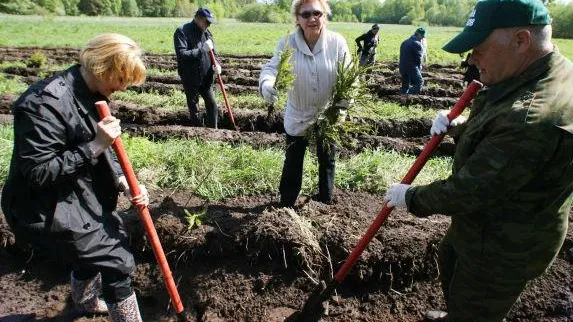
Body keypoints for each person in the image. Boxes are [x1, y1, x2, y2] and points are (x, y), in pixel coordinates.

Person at [384, 0, 573, 321]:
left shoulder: (529, 117)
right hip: (482, 223)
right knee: (451, 262)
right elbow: (502, 130)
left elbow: (470, 190)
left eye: (478, 48)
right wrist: (463, 127)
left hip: (503, 245)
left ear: (521, 40)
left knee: (476, 306)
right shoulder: (545, 70)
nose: (471, 60)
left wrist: (411, 197)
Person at [0, 33, 150, 321]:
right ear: (102, 68)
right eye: (120, 78)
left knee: (105, 240)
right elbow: (38, 173)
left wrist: (123, 182)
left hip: (77, 196)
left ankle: (85, 302)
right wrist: (94, 146)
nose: (123, 87)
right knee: (117, 260)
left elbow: (105, 151)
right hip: (42, 208)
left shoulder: (94, 94)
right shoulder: (42, 104)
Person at [259, 0, 350, 207]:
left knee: (327, 159)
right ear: (297, 18)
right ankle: (287, 203)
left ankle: (325, 201)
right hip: (298, 112)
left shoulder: (337, 42)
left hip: (328, 113)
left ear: (324, 16)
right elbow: (272, 68)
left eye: (317, 13)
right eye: (306, 14)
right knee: (293, 159)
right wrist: (267, 84)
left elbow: (350, 75)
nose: (312, 19)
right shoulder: (287, 43)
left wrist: (342, 105)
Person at [174, 7, 222, 128]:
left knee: (212, 104)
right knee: (194, 107)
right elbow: (182, 54)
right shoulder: (182, 32)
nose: (208, 25)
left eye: (210, 23)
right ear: (198, 19)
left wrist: (217, 64)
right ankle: (198, 132)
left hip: (206, 76)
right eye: (207, 22)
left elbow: (214, 53)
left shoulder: (207, 34)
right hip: (190, 76)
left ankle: (213, 130)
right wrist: (201, 50)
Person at [399, 27, 425, 94]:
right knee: (420, 82)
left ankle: (402, 98)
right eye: (422, 36)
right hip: (411, 67)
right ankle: (408, 96)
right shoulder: (417, 43)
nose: (422, 38)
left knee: (405, 86)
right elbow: (418, 59)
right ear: (418, 34)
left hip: (402, 66)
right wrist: (419, 69)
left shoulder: (404, 42)